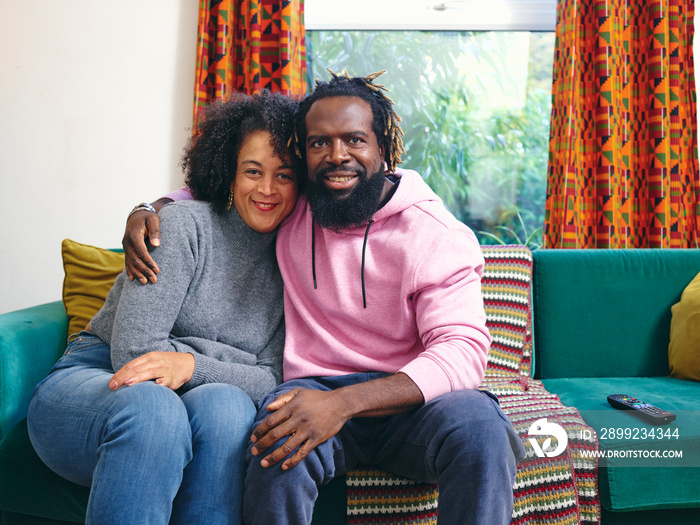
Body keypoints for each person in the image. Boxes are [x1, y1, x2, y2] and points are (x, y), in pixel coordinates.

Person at [124, 71, 526, 525]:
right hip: (310, 387)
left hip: (411, 399)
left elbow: (462, 352)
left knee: (482, 430)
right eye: (319, 143)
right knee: (275, 446)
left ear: (384, 149)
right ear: (304, 152)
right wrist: (150, 209)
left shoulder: (436, 235)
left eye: (355, 140)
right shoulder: (301, 199)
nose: (337, 157)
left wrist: (344, 404)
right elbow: (230, 182)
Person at [27, 90, 301, 525]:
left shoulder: (297, 263)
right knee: (156, 409)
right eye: (253, 171)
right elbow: (136, 355)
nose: (267, 189)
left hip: (189, 399)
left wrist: (189, 364)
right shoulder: (181, 226)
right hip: (97, 381)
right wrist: (231, 363)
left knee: (228, 409)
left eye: (283, 174)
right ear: (229, 173)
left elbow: (271, 377)